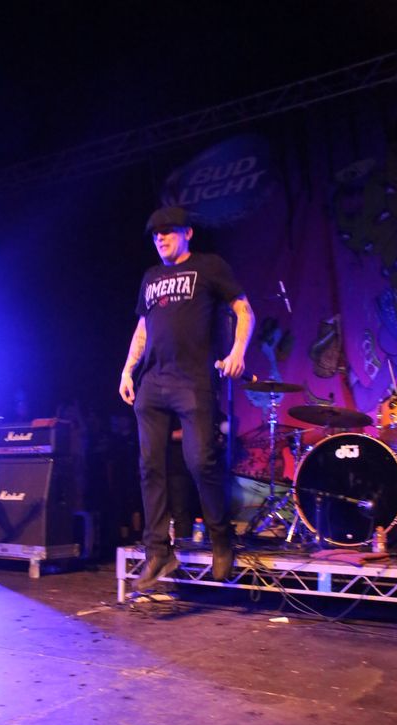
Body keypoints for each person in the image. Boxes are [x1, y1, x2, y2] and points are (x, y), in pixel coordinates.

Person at [119, 206, 255, 590]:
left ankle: (221, 537)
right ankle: (158, 551)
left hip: (192, 381)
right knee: (150, 466)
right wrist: (127, 370)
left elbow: (244, 310)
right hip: (152, 382)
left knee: (200, 462)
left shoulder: (209, 266)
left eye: (168, 231)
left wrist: (238, 352)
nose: (160, 238)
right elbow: (143, 328)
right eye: (155, 234)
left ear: (187, 233)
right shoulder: (150, 277)